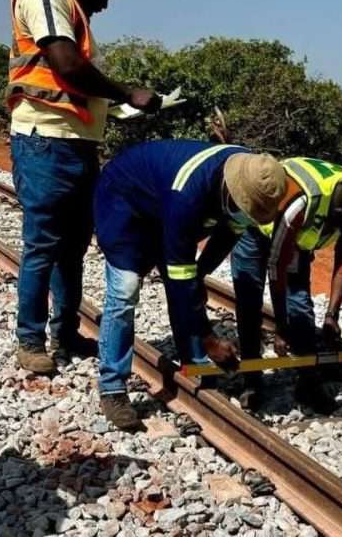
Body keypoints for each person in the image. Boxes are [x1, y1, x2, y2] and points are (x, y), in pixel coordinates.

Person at [7, 0, 167, 375]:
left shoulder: (68, 4)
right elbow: (66, 63)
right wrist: (127, 93)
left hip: (75, 143)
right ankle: (30, 340)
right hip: (46, 141)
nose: (105, 5)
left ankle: (66, 334)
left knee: (73, 246)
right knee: (43, 244)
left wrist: (109, 108)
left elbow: (71, 81)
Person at [94, 140, 286, 430]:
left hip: (164, 203)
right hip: (123, 201)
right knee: (125, 289)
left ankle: (195, 365)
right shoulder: (188, 195)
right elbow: (181, 279)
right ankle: (112, 387)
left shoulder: (253, 176)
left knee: (186, 283)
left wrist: (199, 274)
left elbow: (225, 238)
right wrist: (210, 340)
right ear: (231, 192)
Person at [229, 157, 342, 413]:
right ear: (336, 215)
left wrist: (332, 314)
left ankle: (308, 383)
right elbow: (276, 267)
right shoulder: (300, 203)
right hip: (255, 231)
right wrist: (281, 327)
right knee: (249, 302)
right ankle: (251, 380)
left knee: (300, 308)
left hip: (296, 241)